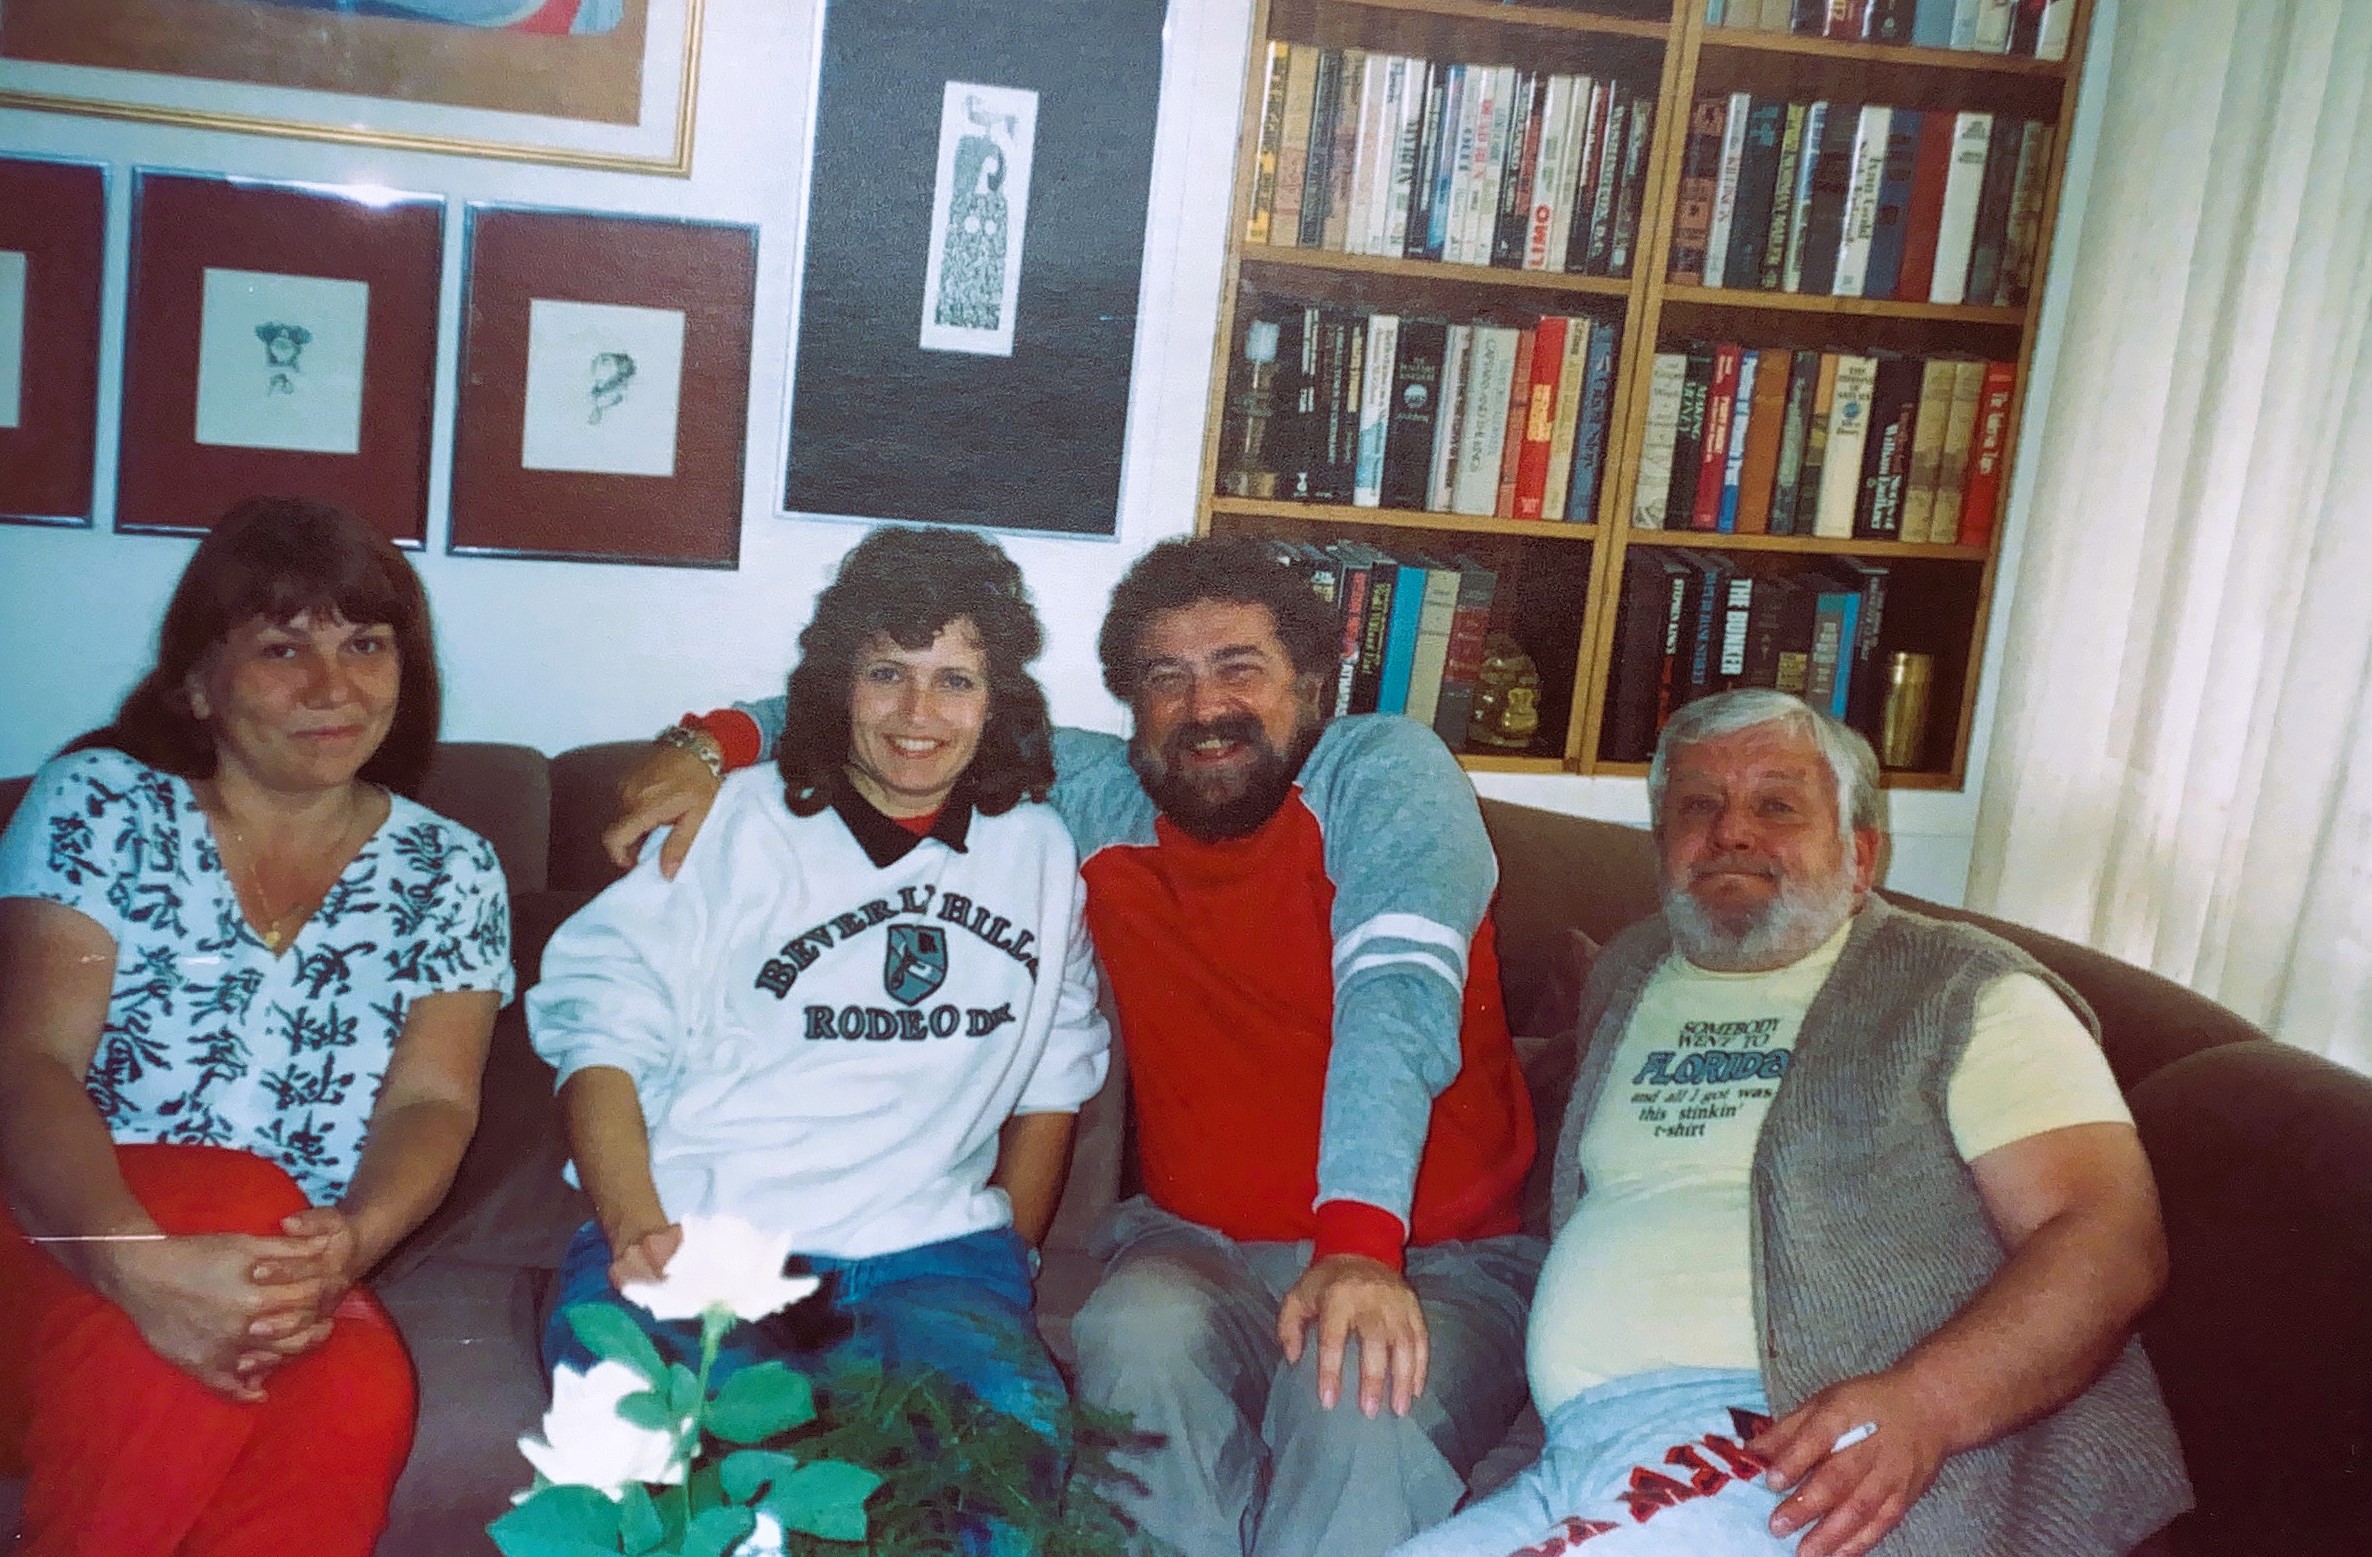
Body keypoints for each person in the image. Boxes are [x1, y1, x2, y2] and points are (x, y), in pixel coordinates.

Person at [607, 535, 1541, 1557]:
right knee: (1130, 1337)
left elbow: (1395, 998)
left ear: (1309, 686)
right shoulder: (1106, 797)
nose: (1204, 707)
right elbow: (900, 712)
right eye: (1165, 678)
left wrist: (1358, 1246)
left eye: (1239, 667)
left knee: (1356, 1401)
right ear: (1131, 706)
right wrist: (712, 741)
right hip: (1198, 1252)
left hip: (1427, 1258)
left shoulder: (1385, 772)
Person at [1388, 687, 2191, 1557]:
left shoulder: (1964, 989)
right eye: (1699, 806)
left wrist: (1926, 1403)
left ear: (1861, 853)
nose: (1731, 831)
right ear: (1661, 845)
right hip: (1576, 1452)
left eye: (1777, 805)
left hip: (1800, 1438)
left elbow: (2110, 1236)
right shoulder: (1631, 970)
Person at [529, 526, 1109, 1511]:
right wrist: (635, 1228)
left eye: (955, 680)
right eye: (887, 673)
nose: (918, 713)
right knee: (678, 1485)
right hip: (704, 1236)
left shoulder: (1040, 851)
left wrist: (1007, 1253)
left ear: (996, 699)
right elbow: (600, 1036)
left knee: (999, 1480)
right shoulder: (730, 822)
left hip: (930, 1262)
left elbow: (1055, 1077)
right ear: (840, 686)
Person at [0, 496, 513, 1557]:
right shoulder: (102, 804)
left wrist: (354, 1240)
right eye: (284, 648)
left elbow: (431, 1102)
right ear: (198, 681)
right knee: (238, 1199)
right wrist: (137, 1264)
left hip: (276, 1285)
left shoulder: (451, 869)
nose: (334, 686)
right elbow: (31, 1064)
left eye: (366, 644)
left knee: (360, 1384)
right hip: (54, 1237)